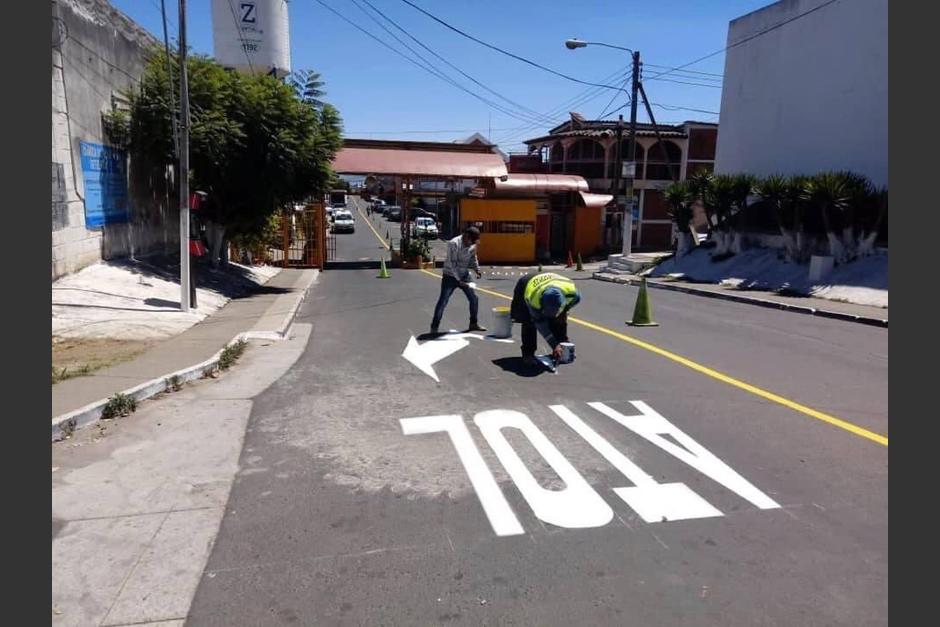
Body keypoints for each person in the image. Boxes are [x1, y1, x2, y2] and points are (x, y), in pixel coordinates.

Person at [510, 272, 581, 366]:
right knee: (529, 321)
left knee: (560, 318)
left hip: (549, 279)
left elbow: (564, 310)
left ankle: (564, 348)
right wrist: (554, 344)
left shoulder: (573, 295)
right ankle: (528, 354)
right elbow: (540, 324)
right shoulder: (534, 299)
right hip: (526, 283)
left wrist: (563, 313)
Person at [430, 226, 485, 334]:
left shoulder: (472, 244)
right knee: (443, 301)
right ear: (466, 236)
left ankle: (473, 323)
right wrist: (459, 280)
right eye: (471, 241)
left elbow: (473, 257)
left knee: (474, 299)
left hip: (464, 274)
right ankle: (434, 327)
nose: (472, 244)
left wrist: (477, 269)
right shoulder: (454, 243)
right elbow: (452, 264)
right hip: (450, 275)